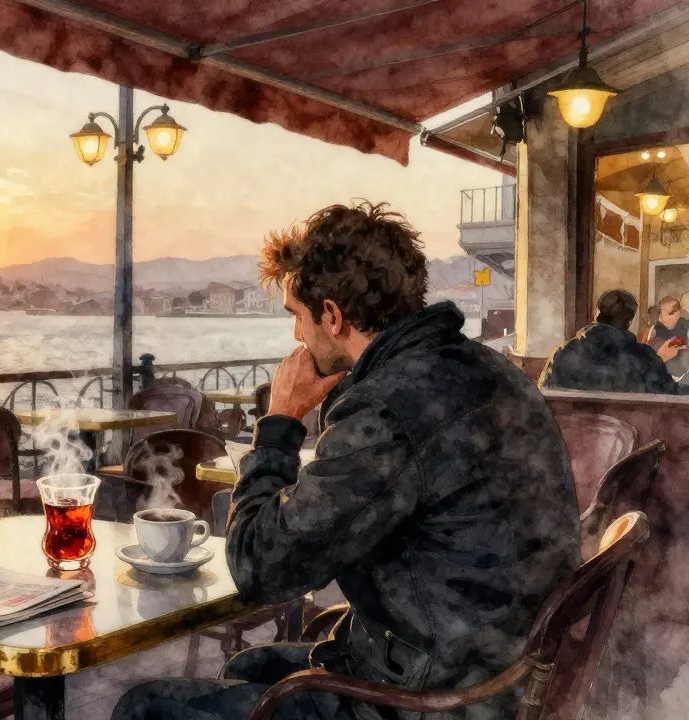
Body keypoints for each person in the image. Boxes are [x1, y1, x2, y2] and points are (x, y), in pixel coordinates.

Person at [112, 202, 580, 720]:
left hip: (430, 697)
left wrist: (282, 421)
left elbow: (260, 567)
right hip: (485, 661)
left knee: (145, 705)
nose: (296, 337)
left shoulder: (390, 407)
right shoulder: (481, 367)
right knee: (250, 666)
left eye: (297, 316)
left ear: (332, 316)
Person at [540, 289, 682, 394]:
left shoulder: (563, 352)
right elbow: (670, 394)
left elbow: (546, 393)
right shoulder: (642, 356)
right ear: (630, 321)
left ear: (597, 313)